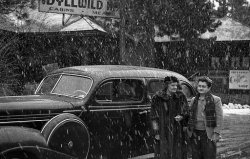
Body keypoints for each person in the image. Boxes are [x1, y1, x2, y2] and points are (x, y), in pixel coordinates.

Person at [150, 76, 190, 159]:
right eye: (172, 85)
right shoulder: (157, 98)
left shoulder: (180, 96)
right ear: (167, 85)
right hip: (163, 130)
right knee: (164, 152)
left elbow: (186, 111)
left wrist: (182, 116)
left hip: (178, 130)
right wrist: (156, 132)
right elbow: (153, 117)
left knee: (178, 152)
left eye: (176, 85)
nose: (175, 87)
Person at [187, 76, 223, 159]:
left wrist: (216, 132)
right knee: (196, 156)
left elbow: (219, 117)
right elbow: (189, 114)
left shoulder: (216, 100)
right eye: (199, 86)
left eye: (203, 86)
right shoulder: (194, 100)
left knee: (209, 155)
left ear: (209, 87)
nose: (200, 88)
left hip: (208, 133)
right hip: (195, 133)